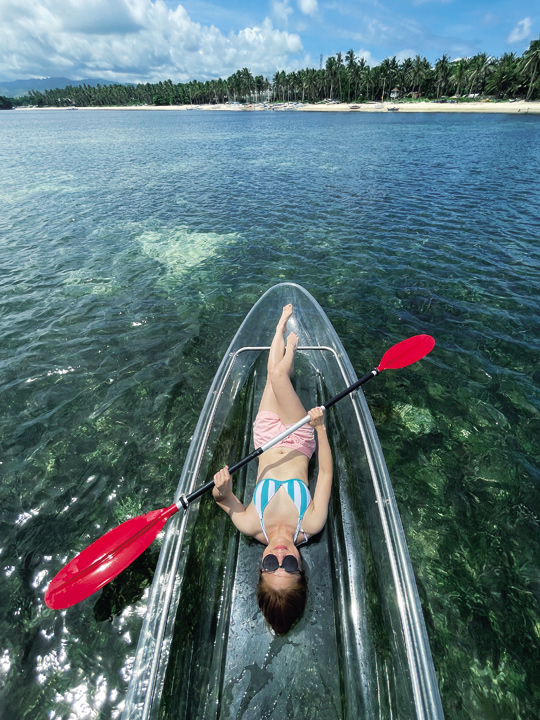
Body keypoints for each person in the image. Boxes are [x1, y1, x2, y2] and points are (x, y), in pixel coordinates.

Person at [213, 303, 333, 634]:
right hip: (298, 438)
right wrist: (320, 429)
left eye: (270, 564)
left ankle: (280, 330)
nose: (280, 554)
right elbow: (324, 474)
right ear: (302, 569)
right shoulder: (311, 523)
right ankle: (289, 344)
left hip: (265, 436)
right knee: (279, 376)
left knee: (272, 376)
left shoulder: (252, 524)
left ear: (260, 568)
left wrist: (221, 489)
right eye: (290, 565)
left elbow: (223, 501)